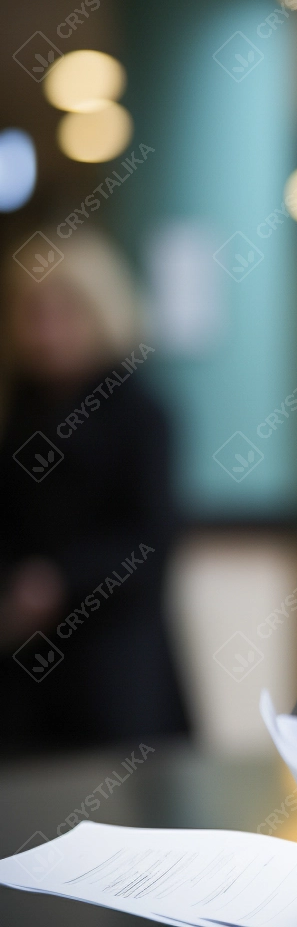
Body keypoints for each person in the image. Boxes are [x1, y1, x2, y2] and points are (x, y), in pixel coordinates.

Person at [0, 232, 188, 753]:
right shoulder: (19, 411)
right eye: (33, 313)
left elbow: (151, 542)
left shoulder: (139, 411)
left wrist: (61, 581)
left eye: (64, 313)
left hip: (114, 660)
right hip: (26, 663)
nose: (47, 331)